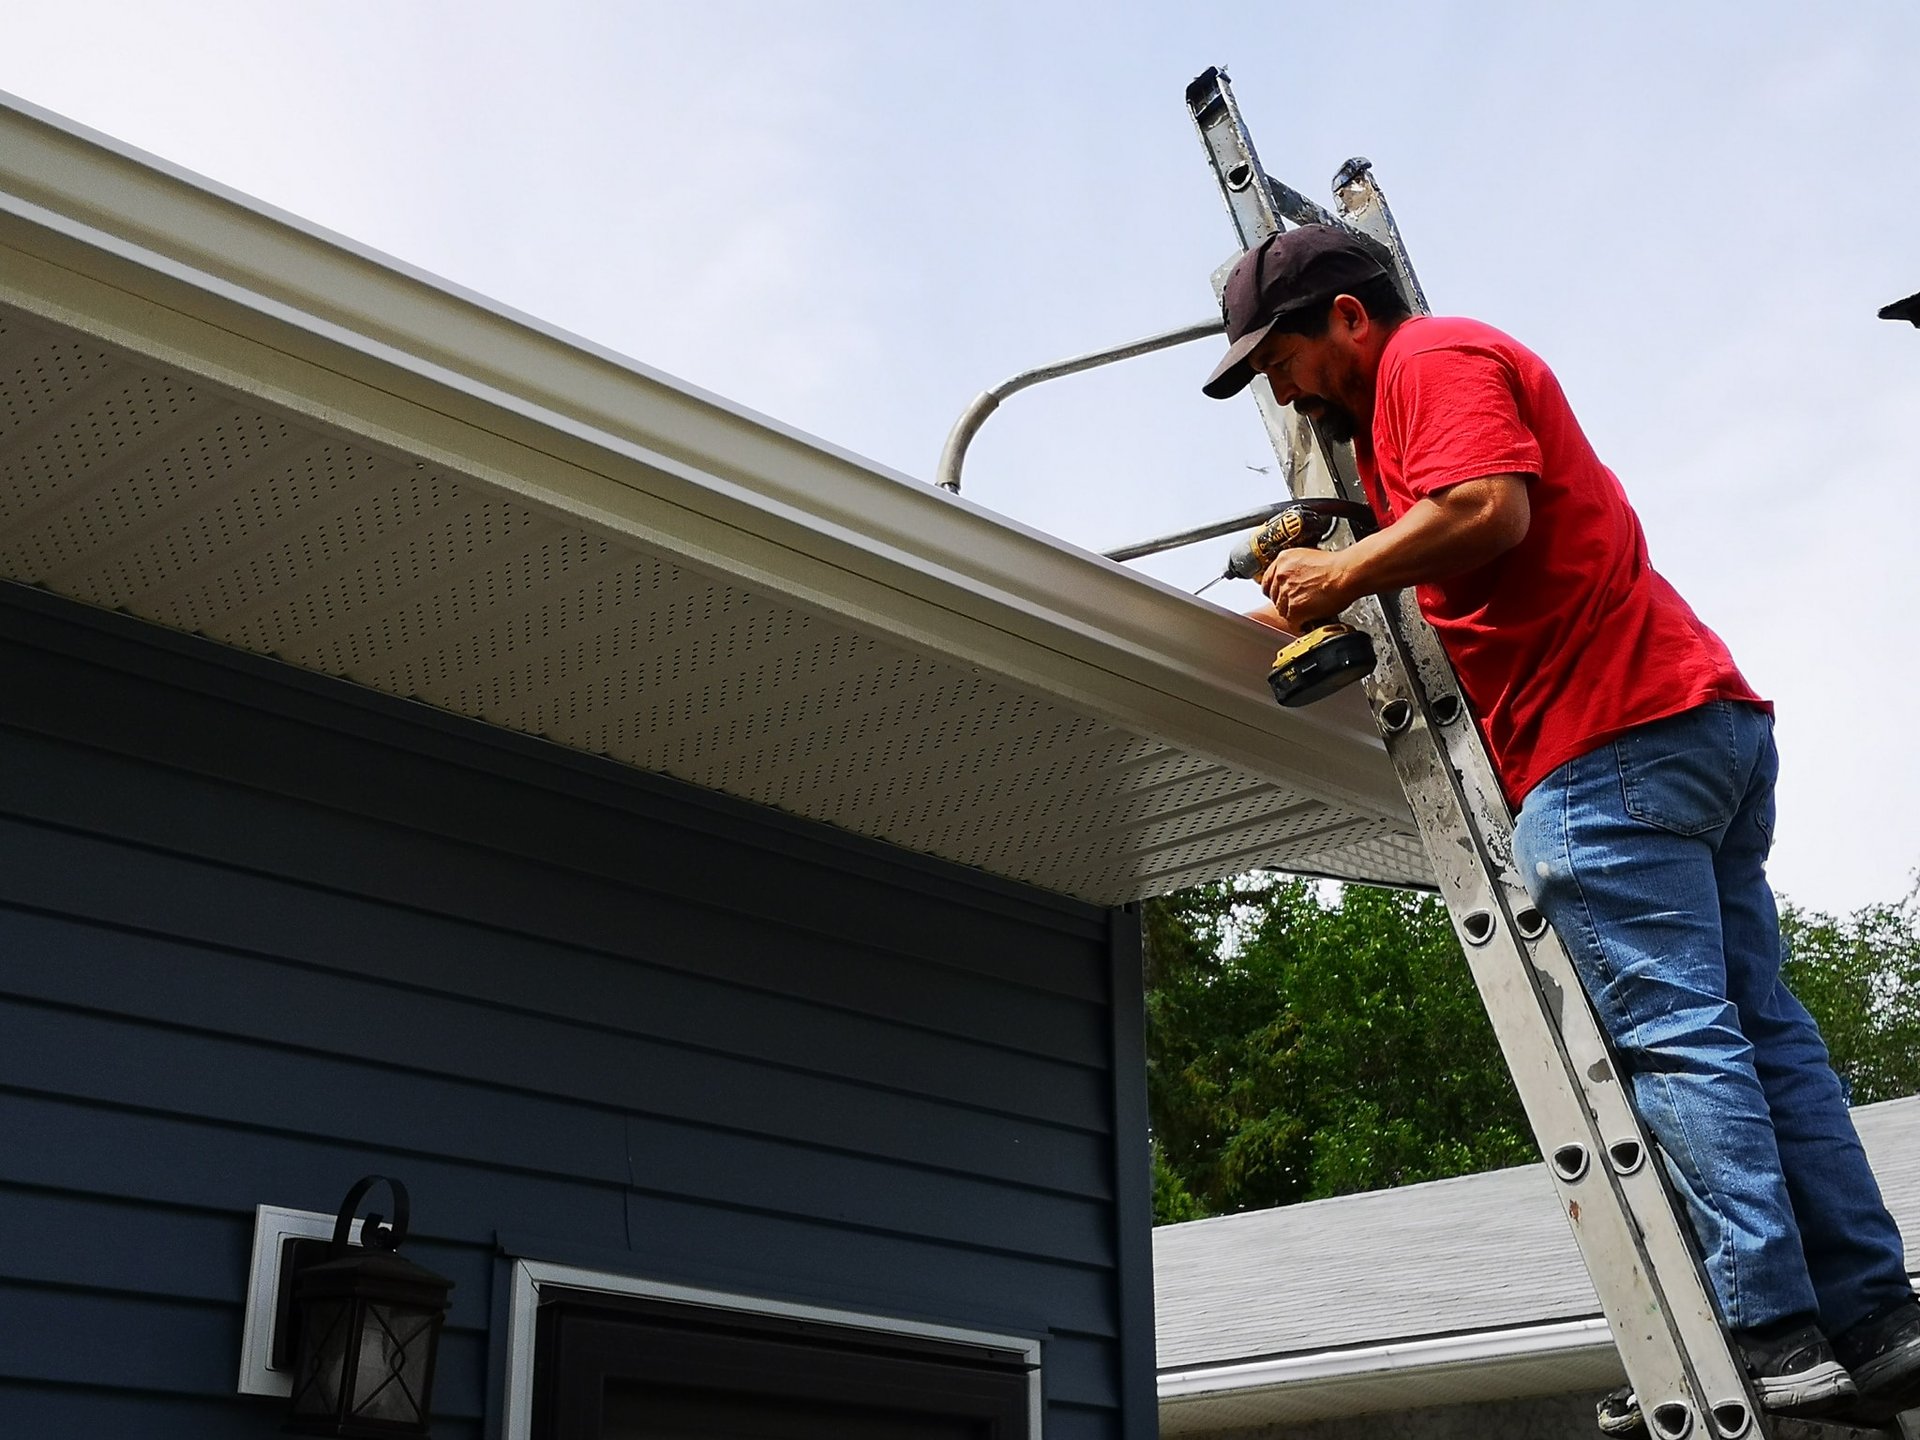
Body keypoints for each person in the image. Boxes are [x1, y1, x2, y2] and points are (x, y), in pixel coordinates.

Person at [1200, 224, 1920, 1425]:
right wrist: (1349, 555)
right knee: (1762, 1030)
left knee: (1681, 1037)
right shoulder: (1401, 421)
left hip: (1609, 747)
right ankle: (1877, 1321)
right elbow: (1464, 535)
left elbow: (1490, 511)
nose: (1275, 385)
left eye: (1279, 356)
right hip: (1693, 722)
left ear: (1347, 318)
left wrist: (1344, 574)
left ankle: (1772, 1334)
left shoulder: (1430, 356)